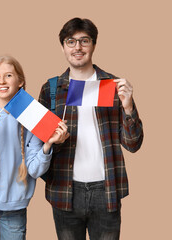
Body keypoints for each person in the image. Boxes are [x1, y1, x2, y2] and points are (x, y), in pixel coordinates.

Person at [38, 18, 144, 239]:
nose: (77, 47)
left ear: (93, 45)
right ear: (63, 47)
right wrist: (52, 139)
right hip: (65, 190)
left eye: (84, 41)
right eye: (71, 41)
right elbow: (38, 146)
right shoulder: (51, 88)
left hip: (106, 190)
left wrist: (128, 107)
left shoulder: (114, 85)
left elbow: (133, 144)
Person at [0, 55, 69, 240]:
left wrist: (48, 143)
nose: (2, 81)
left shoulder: (33, 119)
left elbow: (35, 171)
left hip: (16, 207)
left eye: (8, 75)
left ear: (20, 81)